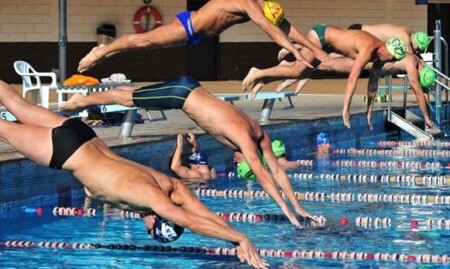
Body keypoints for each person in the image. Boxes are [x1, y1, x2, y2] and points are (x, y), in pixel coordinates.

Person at [0, 79, 268, 269]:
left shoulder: (171, 186)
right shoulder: (152, 199)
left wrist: (234, 235)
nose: (145, 226)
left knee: (14, 101)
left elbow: (203, 213)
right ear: (156, 224)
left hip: (83, 135)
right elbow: (191, 221)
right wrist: (239, 238)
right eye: (150, 230)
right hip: (66, 152)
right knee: (3, 127)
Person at [59, 75, 314, 227]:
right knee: (125, 99)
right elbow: (263, 175)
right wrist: (285, 210)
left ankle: (82, 101)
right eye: (240, 162)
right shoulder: (247, 140)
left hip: (191, 87)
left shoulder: (259, 133)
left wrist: (298, 206)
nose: (236, 162)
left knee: (132, 95)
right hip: (182, 95)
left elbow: (278, 172)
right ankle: (80, 102)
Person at [77, 0, 329, 73]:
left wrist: (313, 48)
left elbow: (286, 27)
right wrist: (294, 51)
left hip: (198, 37)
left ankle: (107, 52)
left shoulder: (265, 6)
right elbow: (267, 27)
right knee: (142, 41)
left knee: (142, 48)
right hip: (188, 27)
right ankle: (101, 50)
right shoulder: (248, 2)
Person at [242, 24, 407, 129]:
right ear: (386, 48)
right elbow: (352, 79)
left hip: (329, 45)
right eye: (392, 57)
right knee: (297, 71)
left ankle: (263, 79)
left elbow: (373, 84)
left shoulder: (379, 58)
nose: (392, 62)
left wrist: (369, 111)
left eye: (395, 60)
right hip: (321, 36)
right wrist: (345, 110)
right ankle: (258, 72)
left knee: (304, 72)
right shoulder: (368, 49)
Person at [278, 52, 437, 130]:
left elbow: (422, 91)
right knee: (328, 64)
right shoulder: (411, 65)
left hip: (370, 63)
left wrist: (369, 109)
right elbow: (419, 93)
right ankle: (290, 62)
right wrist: (426, 118)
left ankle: (293, 60)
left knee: (330, 56)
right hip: (364, 61)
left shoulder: (419, 61)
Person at [347, 23, 431, 55]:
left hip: (359, 29)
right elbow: (411, 58)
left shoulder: (408, 30)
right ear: (416, 42)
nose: (417, 51)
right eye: (418, 49)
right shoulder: (405, 37)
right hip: (359, 33)